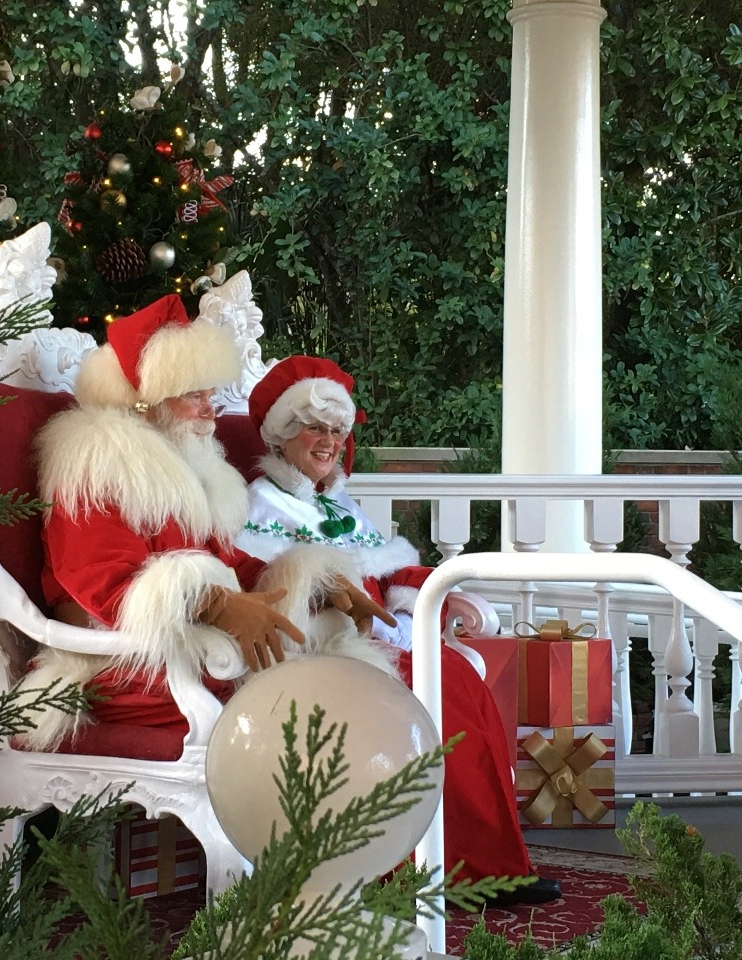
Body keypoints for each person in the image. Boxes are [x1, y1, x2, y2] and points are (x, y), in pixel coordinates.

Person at [237, 355, 562, 904]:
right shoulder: (261, 504)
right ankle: (416, 871)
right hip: (322, 651)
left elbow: (385, 568)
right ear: (284, 433)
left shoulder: (337, 504)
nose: (330, 441)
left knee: (454, 676)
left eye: (338, 430)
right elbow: (270, 587)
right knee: (435, 689)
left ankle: (483, 865)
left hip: (372, 640)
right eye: (316, 427)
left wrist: (426, 592)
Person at [16, 297, 395, 751]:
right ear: (146, 401)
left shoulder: (181, 464)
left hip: (182, 644)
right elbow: (103, 582)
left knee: (339, 678)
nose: (211, 411)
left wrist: (314, 582)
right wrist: (213, 604)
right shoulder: (96, 464)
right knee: (306, 697)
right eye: (195, 396)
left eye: (210, 396)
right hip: (120, 659)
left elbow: (225, 560)